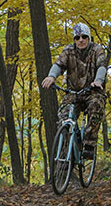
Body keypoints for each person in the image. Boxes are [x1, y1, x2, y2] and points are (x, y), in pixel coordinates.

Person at [40, 22, 107, 159]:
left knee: (96, 107)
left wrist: (98, 81)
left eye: (84, 37)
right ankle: (66, 154)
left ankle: (89, 144)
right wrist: (52, 76)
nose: (80, 40)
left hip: (92, 91)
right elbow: (59, 64)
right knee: (63, 116)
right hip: (73, 93)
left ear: (89, 38)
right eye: (77, 37)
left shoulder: (97, 50)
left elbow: (102, 66)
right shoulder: (68, 51)